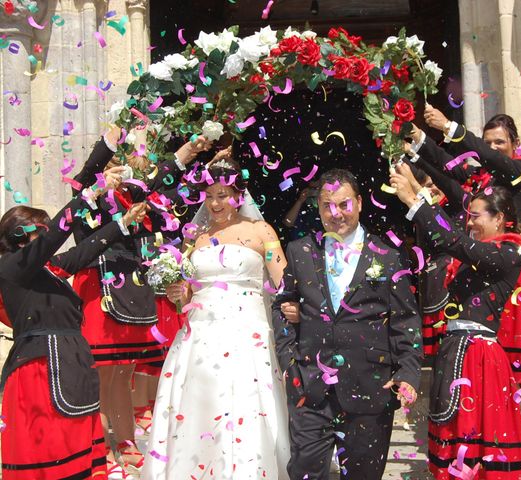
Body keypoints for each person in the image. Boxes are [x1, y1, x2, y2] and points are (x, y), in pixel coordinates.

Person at [71, 127, 212, 474]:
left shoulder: (133, 201)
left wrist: (188, 151)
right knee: (103, 376)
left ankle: (125, 440)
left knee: (123, 373)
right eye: (115, 168)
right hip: (99, 288)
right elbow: (82, 180)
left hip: (131, 291)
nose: (121, 175)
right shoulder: (87, 199)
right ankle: (101, 448)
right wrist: (107, 144)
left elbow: (158, 178)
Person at [143, 159, 290, 479]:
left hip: (247, 333)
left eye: (222, 195)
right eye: (209, 196)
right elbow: (187, 293)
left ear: (239, 195)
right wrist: (177, 293)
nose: (214, 203)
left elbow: (284, 283)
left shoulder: (260, 231)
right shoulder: (195, 235)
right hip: (199, 335)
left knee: (245, 404)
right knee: (198, 403)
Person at [272, 168, 422, 480]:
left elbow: (405, 320)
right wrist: (288, 361)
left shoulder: (388, 257)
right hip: (310, 387)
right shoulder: (300, 251)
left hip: (369, 387)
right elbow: (281, 304)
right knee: (304, 471)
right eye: (327, 206)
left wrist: (407, 372)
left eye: (343, 205)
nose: (335, 214)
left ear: (359, 203)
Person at [391, 164, 521, 479]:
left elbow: (455, 242)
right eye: (468, 215)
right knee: (454, 436)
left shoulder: (510, 253)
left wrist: (414, 203)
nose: (469, 221)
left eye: (477, 216)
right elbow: (455, 238)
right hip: (455, 351)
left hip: (480, 359)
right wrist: (415, 186)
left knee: (480, 441)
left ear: (499, 219)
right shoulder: (477, 254)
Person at [0, 188, 147, 479]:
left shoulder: (48, 271)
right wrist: (88, 195)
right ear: (19, 236)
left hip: (67, 363)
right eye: (39, 232)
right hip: (40, 371)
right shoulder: (11, 268)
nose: (47, 240)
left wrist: (123, 222)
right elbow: (56, 234)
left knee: (76, 450)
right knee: (52, 454)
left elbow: (86, 250)